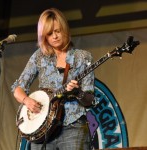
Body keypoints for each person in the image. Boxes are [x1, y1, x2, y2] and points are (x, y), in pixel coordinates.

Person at [11, 8, 95, 150]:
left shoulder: (83, 57)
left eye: (57, 31)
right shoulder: (39, 56)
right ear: (44, 36)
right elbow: (18, 88)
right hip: (43, 131)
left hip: (73, 128)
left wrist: (77, 93)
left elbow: (90, 100)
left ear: (65, 30)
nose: (54, 36)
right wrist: (27, 101)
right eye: (49, 33)